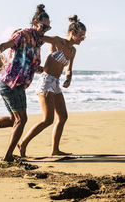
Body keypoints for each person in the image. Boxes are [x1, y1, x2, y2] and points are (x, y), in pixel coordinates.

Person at [0, 4, 51, 162]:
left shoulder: (38, 41)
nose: (45, 30)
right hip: (11, 83)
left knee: (13, 120)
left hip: (16, 84)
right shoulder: (22, 35)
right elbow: (5, 45)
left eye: (48, 28)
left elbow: (29, 62)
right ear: (35, 23)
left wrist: (41, 69)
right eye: (43, 26)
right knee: (22, 120)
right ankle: (8, 156)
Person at [18, 15, 86, 157]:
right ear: (72, 33)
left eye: (84, 36)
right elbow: (38, 36)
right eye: (81, 35)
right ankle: (22, 143)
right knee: (48, 119)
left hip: (55, 83)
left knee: (63, 117)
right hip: (45, 82)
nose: (82, 39)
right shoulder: (57, 41)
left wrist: (68, 78)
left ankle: (55, 150)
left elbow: (68, 69)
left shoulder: (73, 51)